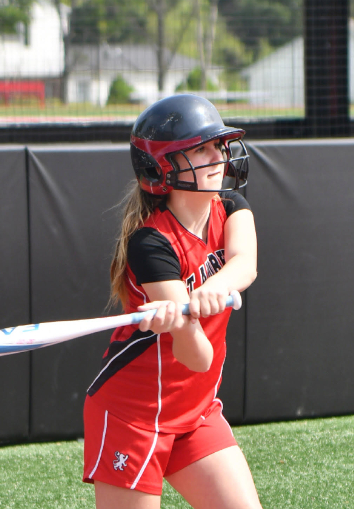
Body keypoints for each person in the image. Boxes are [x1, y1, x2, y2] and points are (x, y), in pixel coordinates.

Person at [82, 94, 261, 508]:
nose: (217, 156)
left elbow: (245, 263)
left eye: (218, 145)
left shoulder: (232, 207)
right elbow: (196, 356)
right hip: (133, 415)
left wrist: (211, 289)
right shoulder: (151, 243)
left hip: (196, 412)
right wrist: (183, 324)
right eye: (200, 149)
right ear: (162, 167)